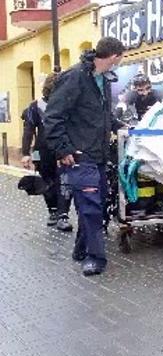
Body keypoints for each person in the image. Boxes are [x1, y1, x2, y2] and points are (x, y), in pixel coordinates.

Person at [44, 37, 126, 276]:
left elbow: (103, 115)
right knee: (90, 207)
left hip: (98, 155)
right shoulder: (74, 77)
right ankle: (94, 257)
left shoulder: (103, 80)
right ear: (113, 56)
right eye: (120, 58)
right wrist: (63, 149)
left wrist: (120, 126)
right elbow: (53, 116)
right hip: (80, 155)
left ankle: (81, 248)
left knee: (96, 206)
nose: (120, 62)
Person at [21, 72, 73, 232]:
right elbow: (28, 130)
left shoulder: (68, 105)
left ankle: (63, 214)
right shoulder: (35, 106)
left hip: (63, 149)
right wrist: (26, 154)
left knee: (64, 181)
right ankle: (53, 211)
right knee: (47, 182)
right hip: (40, 151)